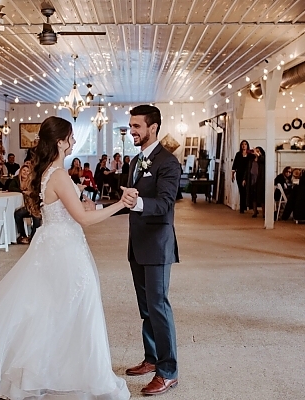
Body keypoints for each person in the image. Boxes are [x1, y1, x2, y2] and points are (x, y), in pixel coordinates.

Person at [0, 115, 131, 400]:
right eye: (70, 137)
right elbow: (84, 219)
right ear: (59, 142)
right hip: (64, 249)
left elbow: (69, 209)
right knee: (74, 307)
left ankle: (45, 371)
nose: (73, 142)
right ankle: (63, 373)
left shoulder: (48, 173)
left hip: (54, 244)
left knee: (48, 310)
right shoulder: (57, 175)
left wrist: (83, 201)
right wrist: (119, 205)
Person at [121, 105, 180, 396]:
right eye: (130, 126)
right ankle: (151, 358)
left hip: (157, 246)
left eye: (136, 126)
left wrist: (137, 203)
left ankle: (168, 371)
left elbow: (166, 202)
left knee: (159, 307)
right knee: (146, 309)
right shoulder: (135, 161)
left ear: (152, 127)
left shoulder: (168, 163)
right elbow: (130, 200)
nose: (131, 131)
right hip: (137, 244)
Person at [9, 164, 41, 244]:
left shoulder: (33, 181)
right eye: (24, 170)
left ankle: (33, 237)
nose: (25, 172)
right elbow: (11, 188)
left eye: (27, 171)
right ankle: (22, 235)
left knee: (36, 217)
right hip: (24, 205)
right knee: (18, 214)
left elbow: (36, 193)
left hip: (33, 205)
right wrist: (23, 191)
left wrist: (29, 193)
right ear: (20, 171)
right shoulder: (16, 180)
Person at [244, 146, 265, 218]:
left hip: (260, 181)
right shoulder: (251, 160)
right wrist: (244, 179)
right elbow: (247, 170)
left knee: (262, 198)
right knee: (253, 198)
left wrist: (258, 155)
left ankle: (264, 213)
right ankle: (255, 212)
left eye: (258, 151)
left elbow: (263, 160)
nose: (256, 152)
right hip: (252, 180)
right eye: (256, 151)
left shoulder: (262, 160)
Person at [232, 140, 251, 213]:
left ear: (247, 145)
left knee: (247, 190)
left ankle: (247, 206)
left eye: (245, 144)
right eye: (242, 144)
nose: (244, 146)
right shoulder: (238, 154)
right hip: (239, 174)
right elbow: (234, 165)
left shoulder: (250, 155)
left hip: (248, 175)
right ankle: (242, 208)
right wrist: (232, 175)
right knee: (241, 190)